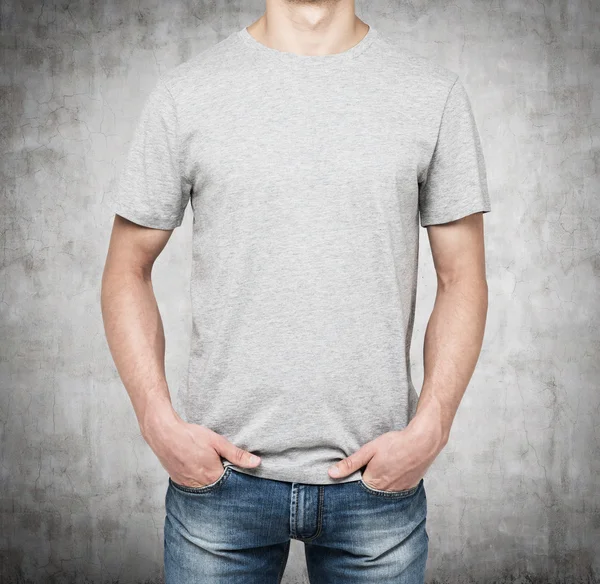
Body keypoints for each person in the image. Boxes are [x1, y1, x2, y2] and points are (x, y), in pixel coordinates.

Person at [101, 0, 491, 581]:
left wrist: (431, 427)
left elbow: (463, 278)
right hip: (218, 489)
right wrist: (157, 421)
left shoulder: (430, 96)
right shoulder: (187, 94)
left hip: (375, 490)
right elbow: (125, 269)